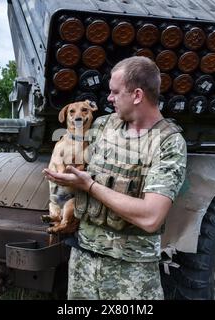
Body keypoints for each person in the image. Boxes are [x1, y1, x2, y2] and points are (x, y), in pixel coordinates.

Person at [43, 56, 187, 300]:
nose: (108, 99)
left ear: (137, 95)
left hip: (131, 272)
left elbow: (151, 216)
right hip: (83, 262)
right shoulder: (102, 126)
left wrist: (89, 185)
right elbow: (72, 153)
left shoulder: (168, 143)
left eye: (115, 92)